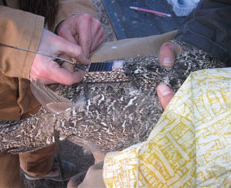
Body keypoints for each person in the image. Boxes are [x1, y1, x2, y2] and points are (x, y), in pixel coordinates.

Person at [67, 0, 231, 187]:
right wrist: (199, 45)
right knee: (95, 68)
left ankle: (101, 172)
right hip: (216, 63)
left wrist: (211, 128)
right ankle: (101, 160)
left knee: (101, 183)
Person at [0, 0, 104, 187]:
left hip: (47, 63)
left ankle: (38, 170)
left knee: (44, 135)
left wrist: (70, 13)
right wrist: (15, 41)